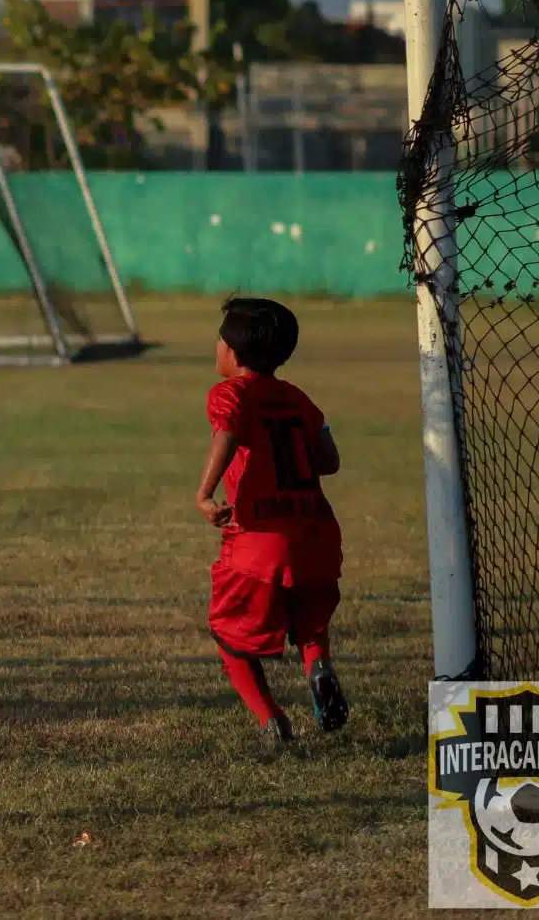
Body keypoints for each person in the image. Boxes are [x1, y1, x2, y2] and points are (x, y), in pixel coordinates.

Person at [194, 297, 349, 750]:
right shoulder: (298, 398)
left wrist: (205, 493)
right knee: (310, 622)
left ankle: (272, 721)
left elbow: (228, 431)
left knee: (228, 634)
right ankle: (317, 666)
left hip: (259, 541)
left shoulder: (230, 394)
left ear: (233, 353)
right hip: (316, 536)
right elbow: (330, 461)